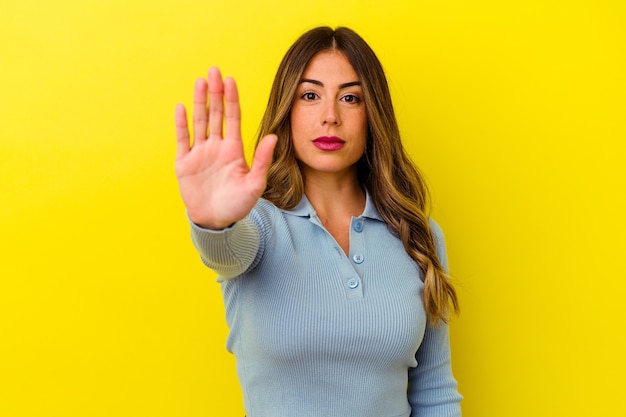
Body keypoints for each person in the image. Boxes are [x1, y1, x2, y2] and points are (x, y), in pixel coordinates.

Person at [174, 26, 462, 417]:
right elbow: (225, 252)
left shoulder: (417, 236)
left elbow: (434, 391)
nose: (331, 116)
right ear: (287, 110)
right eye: (310, 95)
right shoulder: (258, 227)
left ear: (372, 114)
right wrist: (211, 222)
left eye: (350, 97)